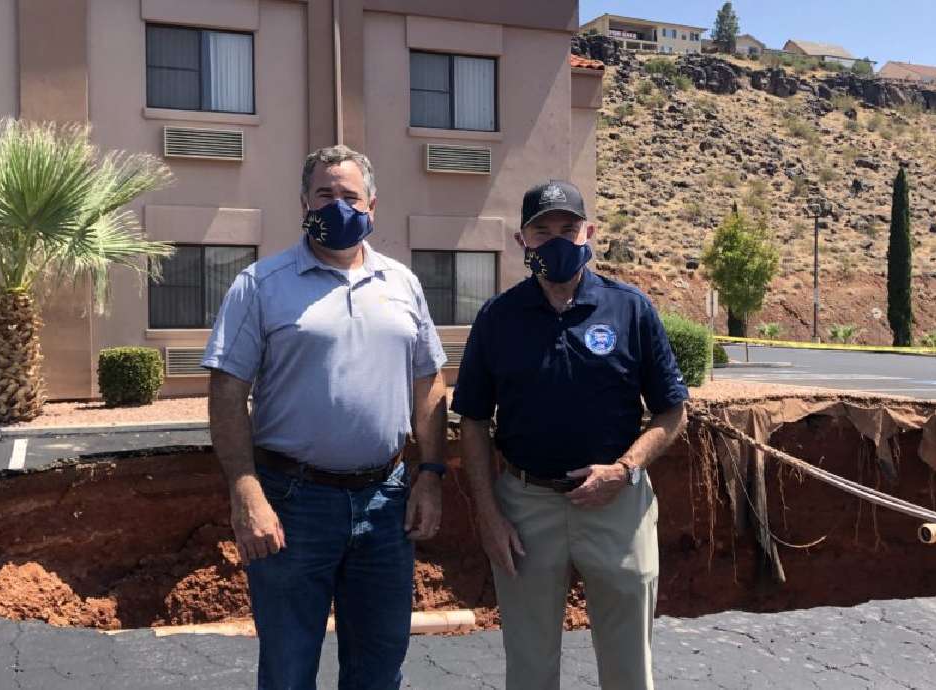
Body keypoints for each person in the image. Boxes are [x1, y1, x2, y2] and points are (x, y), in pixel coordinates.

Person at [202, 145, 448, 690]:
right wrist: (245, 490)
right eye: (325, 194)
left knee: (379, 667)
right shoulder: (261, 285)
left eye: (350, 196)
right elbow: (226, 392)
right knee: (288, 670)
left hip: (385, 501)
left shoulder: (402, 284)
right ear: (304, 203)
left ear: (372, 205)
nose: (338, 205)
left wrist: (431, 474)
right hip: (293, 504)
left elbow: (429, 382)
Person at [451, 179, 689, 690]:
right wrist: (489, 515)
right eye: (543, 232)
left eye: (568, 229)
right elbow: (472, 419)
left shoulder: (631, 309)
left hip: (617, 506)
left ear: (590, 233)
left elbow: (673, 412)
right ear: (522, 240)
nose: (557, 241)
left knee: (629, 669)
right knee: (530, 669)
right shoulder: (498, 318)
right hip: (525, 507)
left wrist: (625, 470)